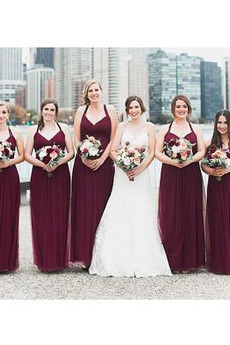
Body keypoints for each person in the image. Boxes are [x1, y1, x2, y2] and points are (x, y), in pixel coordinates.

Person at [89, 95, 172, 277]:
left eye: (136, 107)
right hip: (122, 174)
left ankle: (144, 259)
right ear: (127, 110)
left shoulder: (150, 128)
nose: (133, 110)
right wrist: (122, 163)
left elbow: (151, 152)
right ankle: (117, 258)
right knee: (121, 208)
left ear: (142, 108)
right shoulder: (121, 127)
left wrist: (141, 167)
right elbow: (112, 149)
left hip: (142, 175)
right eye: (130, 108)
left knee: (141, 209)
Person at [155, 95, 206, 273]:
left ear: (189, 109)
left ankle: (190, 260)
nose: (181, 109)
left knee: (190, 212)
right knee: (172, 214)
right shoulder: (164, 129)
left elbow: (202, 151)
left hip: (191, 173)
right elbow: (157, 152)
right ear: (173, 109)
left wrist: (190, 159)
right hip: (171, 173)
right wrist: (173, 161)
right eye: (178, 107)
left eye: (184, 106)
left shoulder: (196, 128)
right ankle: (173, 260)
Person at [71, 80, 118, 269]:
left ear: (101, 91)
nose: (94, 93)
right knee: (83, 207)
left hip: (104, 165)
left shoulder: (111, 111)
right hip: (83, 165)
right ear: (86, 93)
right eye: (90, 90)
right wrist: (83, 156)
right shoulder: (81, 111)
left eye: (96, 89)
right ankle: (85, 256)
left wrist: (103, 158)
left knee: (103, 205)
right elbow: (76, 138)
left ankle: (103, 254)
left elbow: (114, 138)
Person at [25, 98, 74, 272]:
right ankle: (43, 260)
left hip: (60, 175)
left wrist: (58, 162)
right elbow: (26, 154)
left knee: (60, 213)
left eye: (52, 110)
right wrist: (42, 164)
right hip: (39, 175)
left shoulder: (64, 129)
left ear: (56, 112)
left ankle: (59, 260)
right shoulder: (33, 130)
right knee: (41, 214)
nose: (49, 113)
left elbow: (71, 152)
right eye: (46, 109)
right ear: (42, 111)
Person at [202, 110, 230, 274]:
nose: (222, 126)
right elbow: (203, 165)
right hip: (216, 185)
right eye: (219, 122)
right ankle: (220, 262)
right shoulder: (210, 144)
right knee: (218, 220)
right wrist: (211, 172)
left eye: (225, 122)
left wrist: (227, 170)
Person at [0, 102, 24, 272]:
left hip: (9, 177)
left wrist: (7, 162)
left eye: (3, 112)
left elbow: (22, 156)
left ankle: (6, 261)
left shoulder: (15, 133)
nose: (1, 115)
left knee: (8, 217)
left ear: (8, 115)